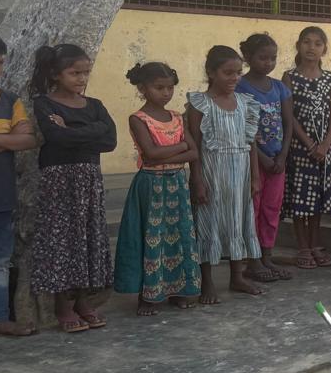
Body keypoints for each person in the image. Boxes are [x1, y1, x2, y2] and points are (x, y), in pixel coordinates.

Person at [29, 44, 117, 332]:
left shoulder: (95, 105)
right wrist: (84, 132)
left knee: (87, 238)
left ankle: (83, 301)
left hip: (89, 179)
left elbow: (110, 141)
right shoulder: (44, 104)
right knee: (63, 240)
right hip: (58, 180)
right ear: (56, 74)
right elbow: (55, 138)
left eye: (85, 73)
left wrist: (70, 130)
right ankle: (63, 305)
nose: (81, 78)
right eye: (74, 73)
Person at [113, 62, 201, 316]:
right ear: (142, 88)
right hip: (150, 185)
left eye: (170, 88)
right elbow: (150, 155)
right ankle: (148, 295)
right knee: (150, 236)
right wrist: (179, 148)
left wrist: (172, 152)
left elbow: (194, 152)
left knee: (180, 234)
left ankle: (180, 290)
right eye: (158, 87)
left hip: (176, 184)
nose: (166, 93)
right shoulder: (138, 119)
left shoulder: (177, 117)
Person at [187, 45, 264, 304]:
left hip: (240, 172)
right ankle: (206, 281)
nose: (234, 78)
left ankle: (237, 276)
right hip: (212, 172)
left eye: (238, 73)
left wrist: (255, 175)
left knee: (238, 221)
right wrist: (196, 179)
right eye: (227, 73)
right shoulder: (200, 104)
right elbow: (194, 146)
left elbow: (250, 141)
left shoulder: (245, 103)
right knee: (209, 222)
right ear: (211, 73)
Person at [0, 28, 37, 342]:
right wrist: (8, 141)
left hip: (1, 196)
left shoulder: (11, 101)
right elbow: (18, 139)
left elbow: (28, 139)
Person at [282, 26, 331, 269]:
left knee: (316, 198)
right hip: (300, 147)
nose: (311, 47)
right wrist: (309, 144)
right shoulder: (290, 77)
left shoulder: (330, 79)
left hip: (325, 150)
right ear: (298, 45)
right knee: (300, 197)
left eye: (318, 43)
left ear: (324, 49)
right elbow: (289, 115)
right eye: (306, 42)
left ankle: (316, 242)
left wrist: (326, 144)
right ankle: (303, 246)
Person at [237, 33, 294, 282]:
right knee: (254, 208)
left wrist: (282, 155)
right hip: (254, 161)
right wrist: (262, 158)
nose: (268, 63)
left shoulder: (280, 88)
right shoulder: (240, 87)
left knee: (272, 208)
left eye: (272, 58)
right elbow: (242, 129)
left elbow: (288, 123)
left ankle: (267, 255)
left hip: (277, 161)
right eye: (262, 58)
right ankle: (253, 259)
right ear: (248, 57)